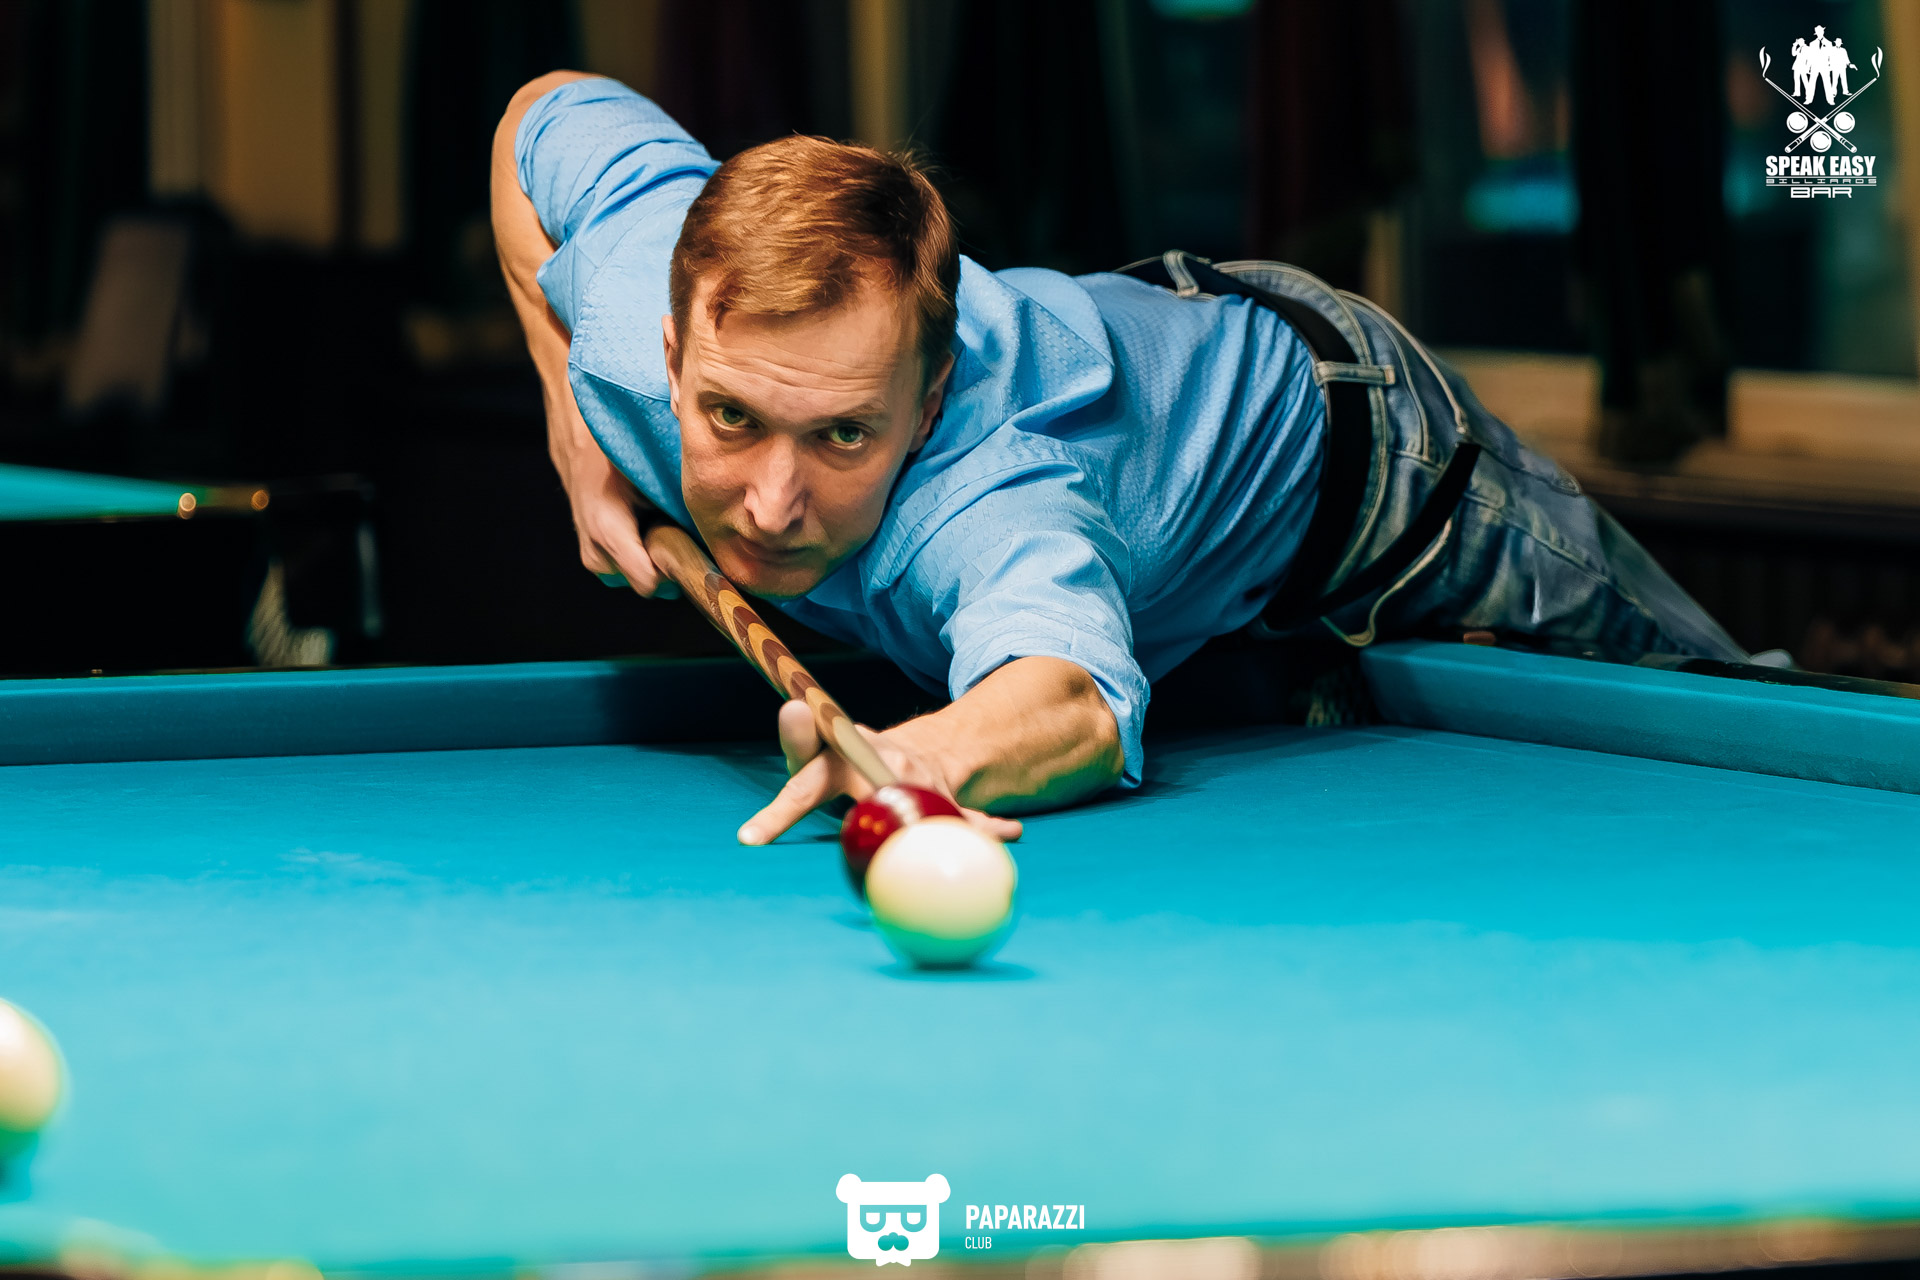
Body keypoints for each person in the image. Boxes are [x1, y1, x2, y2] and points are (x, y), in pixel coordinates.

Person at [492, 72, 1744, 845]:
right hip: (1154, 393)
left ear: (928, 407)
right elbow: (536, 114)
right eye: (730, 419)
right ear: (670, 349)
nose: (771, 503)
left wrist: (916, 758)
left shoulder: (991, 499)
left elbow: (1075, 699)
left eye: (843, 435)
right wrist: (567, 411)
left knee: (1720, 701)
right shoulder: (628, 307)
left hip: (1368, 451)